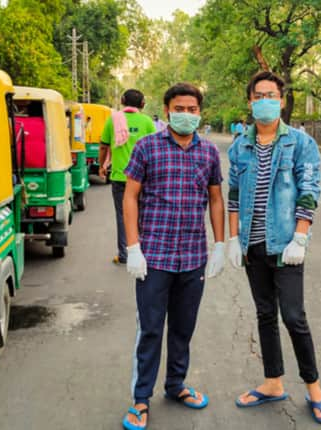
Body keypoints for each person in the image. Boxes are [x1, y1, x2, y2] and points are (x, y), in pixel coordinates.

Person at [226, 71, 321, 424]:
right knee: (264, 314)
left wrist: (300, 237)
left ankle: (314, 387)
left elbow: (309, 190)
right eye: (259, 95)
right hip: (252, 246)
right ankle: (273, 381)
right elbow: (233, 195)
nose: (265, 100)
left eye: (272, 94)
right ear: (250, 101)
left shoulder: (301, 144)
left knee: (293, 316)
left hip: (286, 247)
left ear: (282, 100)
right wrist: (231, 239)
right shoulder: (239, 145)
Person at [121, 82, 226, 430]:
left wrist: (221, 245)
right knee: (151, 330)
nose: (185, 114)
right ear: (166, 111)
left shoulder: (208, 153)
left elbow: (215, 199)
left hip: (192, 256)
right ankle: (140, 399)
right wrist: (132, 247)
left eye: (192, 109)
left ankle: (176, 385)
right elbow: (130, 197)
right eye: (179, 109)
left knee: (183, 329)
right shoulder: (147, 147)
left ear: (199, 113)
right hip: (153, 257)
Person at [100, 89, 156, 266]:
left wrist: (102, 166)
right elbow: (154, 148)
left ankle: (125, 254)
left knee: (123, 215)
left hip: (120, 177)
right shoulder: (147, 122)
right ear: (142, 104)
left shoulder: (113, 120)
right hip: (144, 178)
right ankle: (145, 251)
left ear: (123, 101)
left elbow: (103, 147)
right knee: (144, 214)